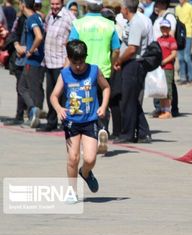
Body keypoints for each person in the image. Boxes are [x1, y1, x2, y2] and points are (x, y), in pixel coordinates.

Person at [50, 40, 110, 201]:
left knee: (90, 158)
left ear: (85, 58)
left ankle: (85, 172)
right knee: (73, 157)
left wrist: (103, 106)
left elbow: (106, 87)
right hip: (72, 122)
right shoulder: (65, 74)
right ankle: (71, 191)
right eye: (75, 63)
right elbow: (54, 96)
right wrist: (59, 108)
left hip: (90, 121)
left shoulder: (94, 71)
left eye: (81, 62)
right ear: (69, 59)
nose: (78, 66)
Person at [69, 0, 120, 152]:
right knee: (102, 101)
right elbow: (116, 49)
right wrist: (111, 63)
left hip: (83, 68)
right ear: (101, 6)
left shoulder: (78, 23)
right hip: (103, 69)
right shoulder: (110, 25)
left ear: (86, 5)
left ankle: (89, 139)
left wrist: (72, 65)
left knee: (85, 104)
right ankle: (103, 128)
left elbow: (71, 46)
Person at [112, 0, 153, 144]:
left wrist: (119, 61)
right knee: (131, 99)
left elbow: (132, 49)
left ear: (126, 9)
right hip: (130, 63)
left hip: (133, 63)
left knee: (128, 100)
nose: (120, 10)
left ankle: (128, 134)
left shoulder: (136, 23)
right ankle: (143, 132)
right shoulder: (133, 21)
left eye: (121, 8)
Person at [40, 0, 76, 132]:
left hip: (62, 62)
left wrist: (70, 59)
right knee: (51, 94)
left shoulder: (69, 17)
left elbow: (76, 36)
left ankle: (67, 122)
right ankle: (51, 122)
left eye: (57, 4)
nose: (54, 7)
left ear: (62, 3)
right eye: (52, 4)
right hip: (49, 61)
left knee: (64, 95)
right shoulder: (50, 15)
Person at [18, 0, 45, 128]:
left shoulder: (31, 19)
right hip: (35, 61)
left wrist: (31, 50)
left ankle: (34, 112)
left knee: (28, 88)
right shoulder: (37, 17)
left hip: (33, 61)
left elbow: (39, 36)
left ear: (23, 5)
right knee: (23, 87)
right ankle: (34, 112)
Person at [156, 19, 177, 119]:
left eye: (166, 28)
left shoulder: (171, 39)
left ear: (169, 29)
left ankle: (168, 111)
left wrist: (164, 61)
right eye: (162, 27)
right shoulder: (158, 39)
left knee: (168, 90)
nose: (164, 29)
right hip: (159, 68)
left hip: (168, 67)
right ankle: (162, 109)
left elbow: (173, 54)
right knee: (161, 90)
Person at [175, 0, 192, 84]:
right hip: (179, 36)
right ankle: (183, 77)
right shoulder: (177, 8)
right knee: (180, 58)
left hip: (188, 35)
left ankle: (191, 77)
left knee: (186, 57)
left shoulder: (190, 7)